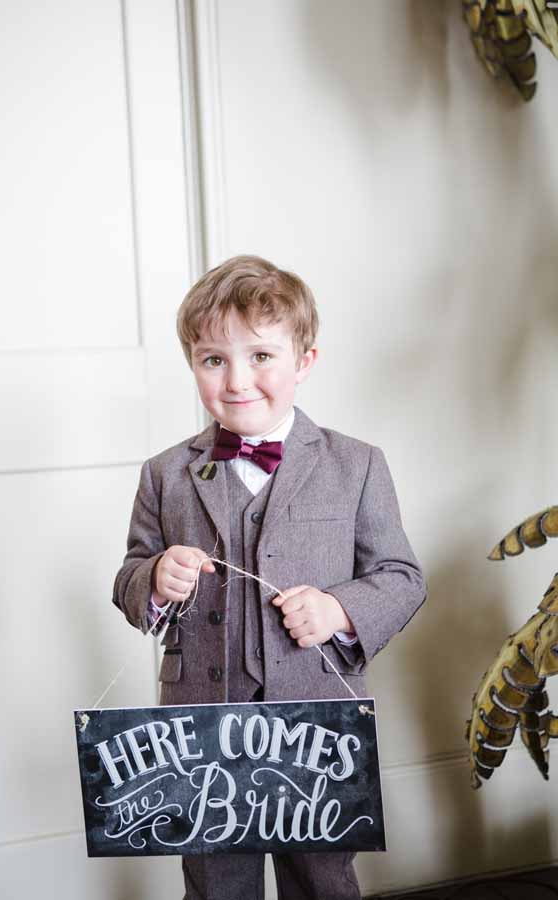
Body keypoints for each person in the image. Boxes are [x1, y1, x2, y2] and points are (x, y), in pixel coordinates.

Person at [112, 254, 426, 900]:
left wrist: (340, 610)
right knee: (214, 879)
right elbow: (128, 579)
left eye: (260, 356)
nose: (237, 380)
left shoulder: (357, 465)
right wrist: (154, 578)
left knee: (321, 876)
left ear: (304, 361)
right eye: (213, 360)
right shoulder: (164, 474)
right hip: (200, 727)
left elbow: (401, 576)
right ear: (193, 365)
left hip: (316, 727)